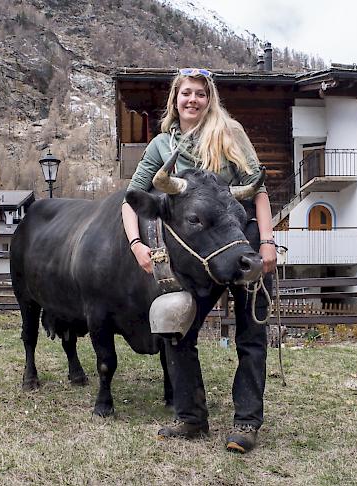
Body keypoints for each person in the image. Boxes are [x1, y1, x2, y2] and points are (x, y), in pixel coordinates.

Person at [121, 68, 276, 453]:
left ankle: (246, 422)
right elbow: (132, 196)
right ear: (175, 99)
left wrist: (268, 242)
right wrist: (137, 244)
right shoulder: (160, 145)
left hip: (241, 243)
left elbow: (257, 190)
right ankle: (191, 417)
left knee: (251, 333)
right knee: (177, 327)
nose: (193, 100)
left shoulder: (230, 132)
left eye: (201, 94)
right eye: (186, 93)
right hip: (195, 253)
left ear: (210, 100)